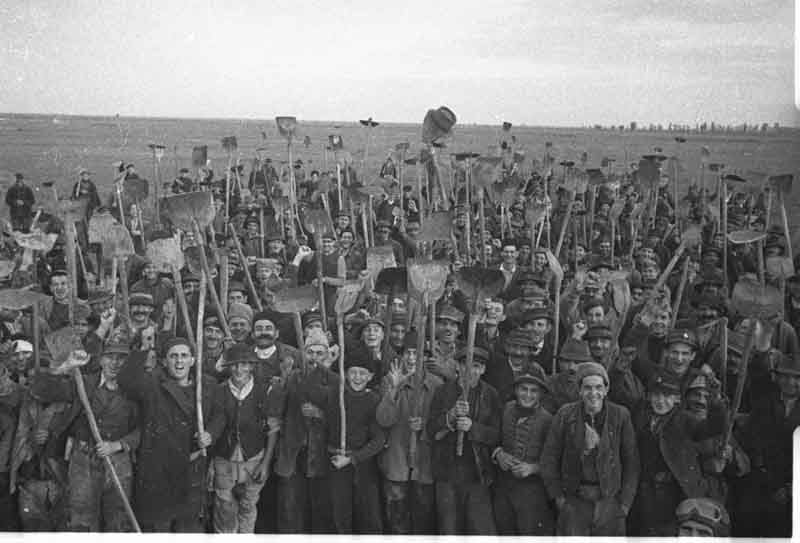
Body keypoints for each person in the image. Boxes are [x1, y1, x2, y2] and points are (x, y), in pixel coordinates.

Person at [117, 337, 224, 532]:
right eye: (173, 356)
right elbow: (126, 382)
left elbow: (219, 415)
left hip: (191, 468)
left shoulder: (207, 385)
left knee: (188, 527)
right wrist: (142, 349)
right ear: (164, 362)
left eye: (184, 356)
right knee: (159, 526)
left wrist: (210, 434)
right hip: (159, 470)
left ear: (192, 360)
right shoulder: (153, 383)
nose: (179, 361)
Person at [30, 343, 140, 531]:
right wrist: (64, 367)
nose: (115, 363)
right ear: (101, 359)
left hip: (119, 461)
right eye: (110, 357)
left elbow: (143, 428)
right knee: (82, 516)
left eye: (121, 358)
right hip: (83, 460)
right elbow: (42, 391)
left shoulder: (136, 389)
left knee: (118, 517)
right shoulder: (84, 383)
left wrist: (119, 444)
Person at [540, 362, 639, 536]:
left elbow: (632, 462)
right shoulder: (565, 414)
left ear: (606, 390)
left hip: (609, 502)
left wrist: (624, 504)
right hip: (575, 501)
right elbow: (549, 457)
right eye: (587, 388)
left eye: (598, 387)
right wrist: (558, 498)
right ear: (579, 390)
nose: (593, 393)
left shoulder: (620, 415)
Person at [269, 328, 337, 533]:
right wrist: (281, 382)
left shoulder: (334, 380)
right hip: (292, 450)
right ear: (303, 354)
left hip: (321, 453)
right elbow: (275, 410)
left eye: (319, 353)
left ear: (326, 354)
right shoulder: (292, 377)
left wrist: (320, 414)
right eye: (310, 352)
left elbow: (342, 420)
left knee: (319, 507)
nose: (314, 358)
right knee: (289, 506)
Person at [427, 347, 501, 535]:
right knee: (449, 528)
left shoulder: (490, 394)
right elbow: (431, 430)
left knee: (480, 529)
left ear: (483, 369)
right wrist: (450, 416)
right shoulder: (443, 391)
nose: (471, 371)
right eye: (466, 365)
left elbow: (496, 435)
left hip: (477, 472)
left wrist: (472, 427)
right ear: (458, 366)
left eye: (476, 366)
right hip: (447, 471)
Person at [210, 344, 277, 533]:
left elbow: (272, 430)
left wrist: (265, 464)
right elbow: (215, 425)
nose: (239, 370)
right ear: (228, 367)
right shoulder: (219, 391)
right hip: (224, 459)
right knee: (224, 507)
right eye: (234, 365)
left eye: (244, 364)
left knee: (248, 505)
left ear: (252, 366)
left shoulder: (264, 391)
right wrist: (211, 463)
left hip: (253, 458)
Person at [376, 344, 443, 534]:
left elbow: (441, 424)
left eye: (417, 353)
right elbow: (384, 419)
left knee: (423, 516)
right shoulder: (390, 380)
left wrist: (424, 426)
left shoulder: (437, 385)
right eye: (408, 353)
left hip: (424, 461)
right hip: (397, 459)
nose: (412, 358)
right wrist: (395, 388)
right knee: (397, 517)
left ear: (425, 357)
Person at [325, 347, 385, 534]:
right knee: (340, 516)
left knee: (368, 517)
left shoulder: (373, 400)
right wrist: (326, 365)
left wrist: (352, 459)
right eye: (353, 372)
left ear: (370, 376)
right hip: (337, 463)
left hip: (363, 466)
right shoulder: (336, 395)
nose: (357, 377)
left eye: (362, 373)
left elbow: (379, 440)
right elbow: (312, 391)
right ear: (345, 373)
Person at [492, 366, 555, 535]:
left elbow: (555, 460)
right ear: (515, 390)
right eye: (523, 389)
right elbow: (493, 439)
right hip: (503, 489)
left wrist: (532, 468)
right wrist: (498, 454)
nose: (528, 395)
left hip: (532, 493)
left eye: (534, 391)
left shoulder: (548, 420)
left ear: (541, 394)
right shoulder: (506, 409)